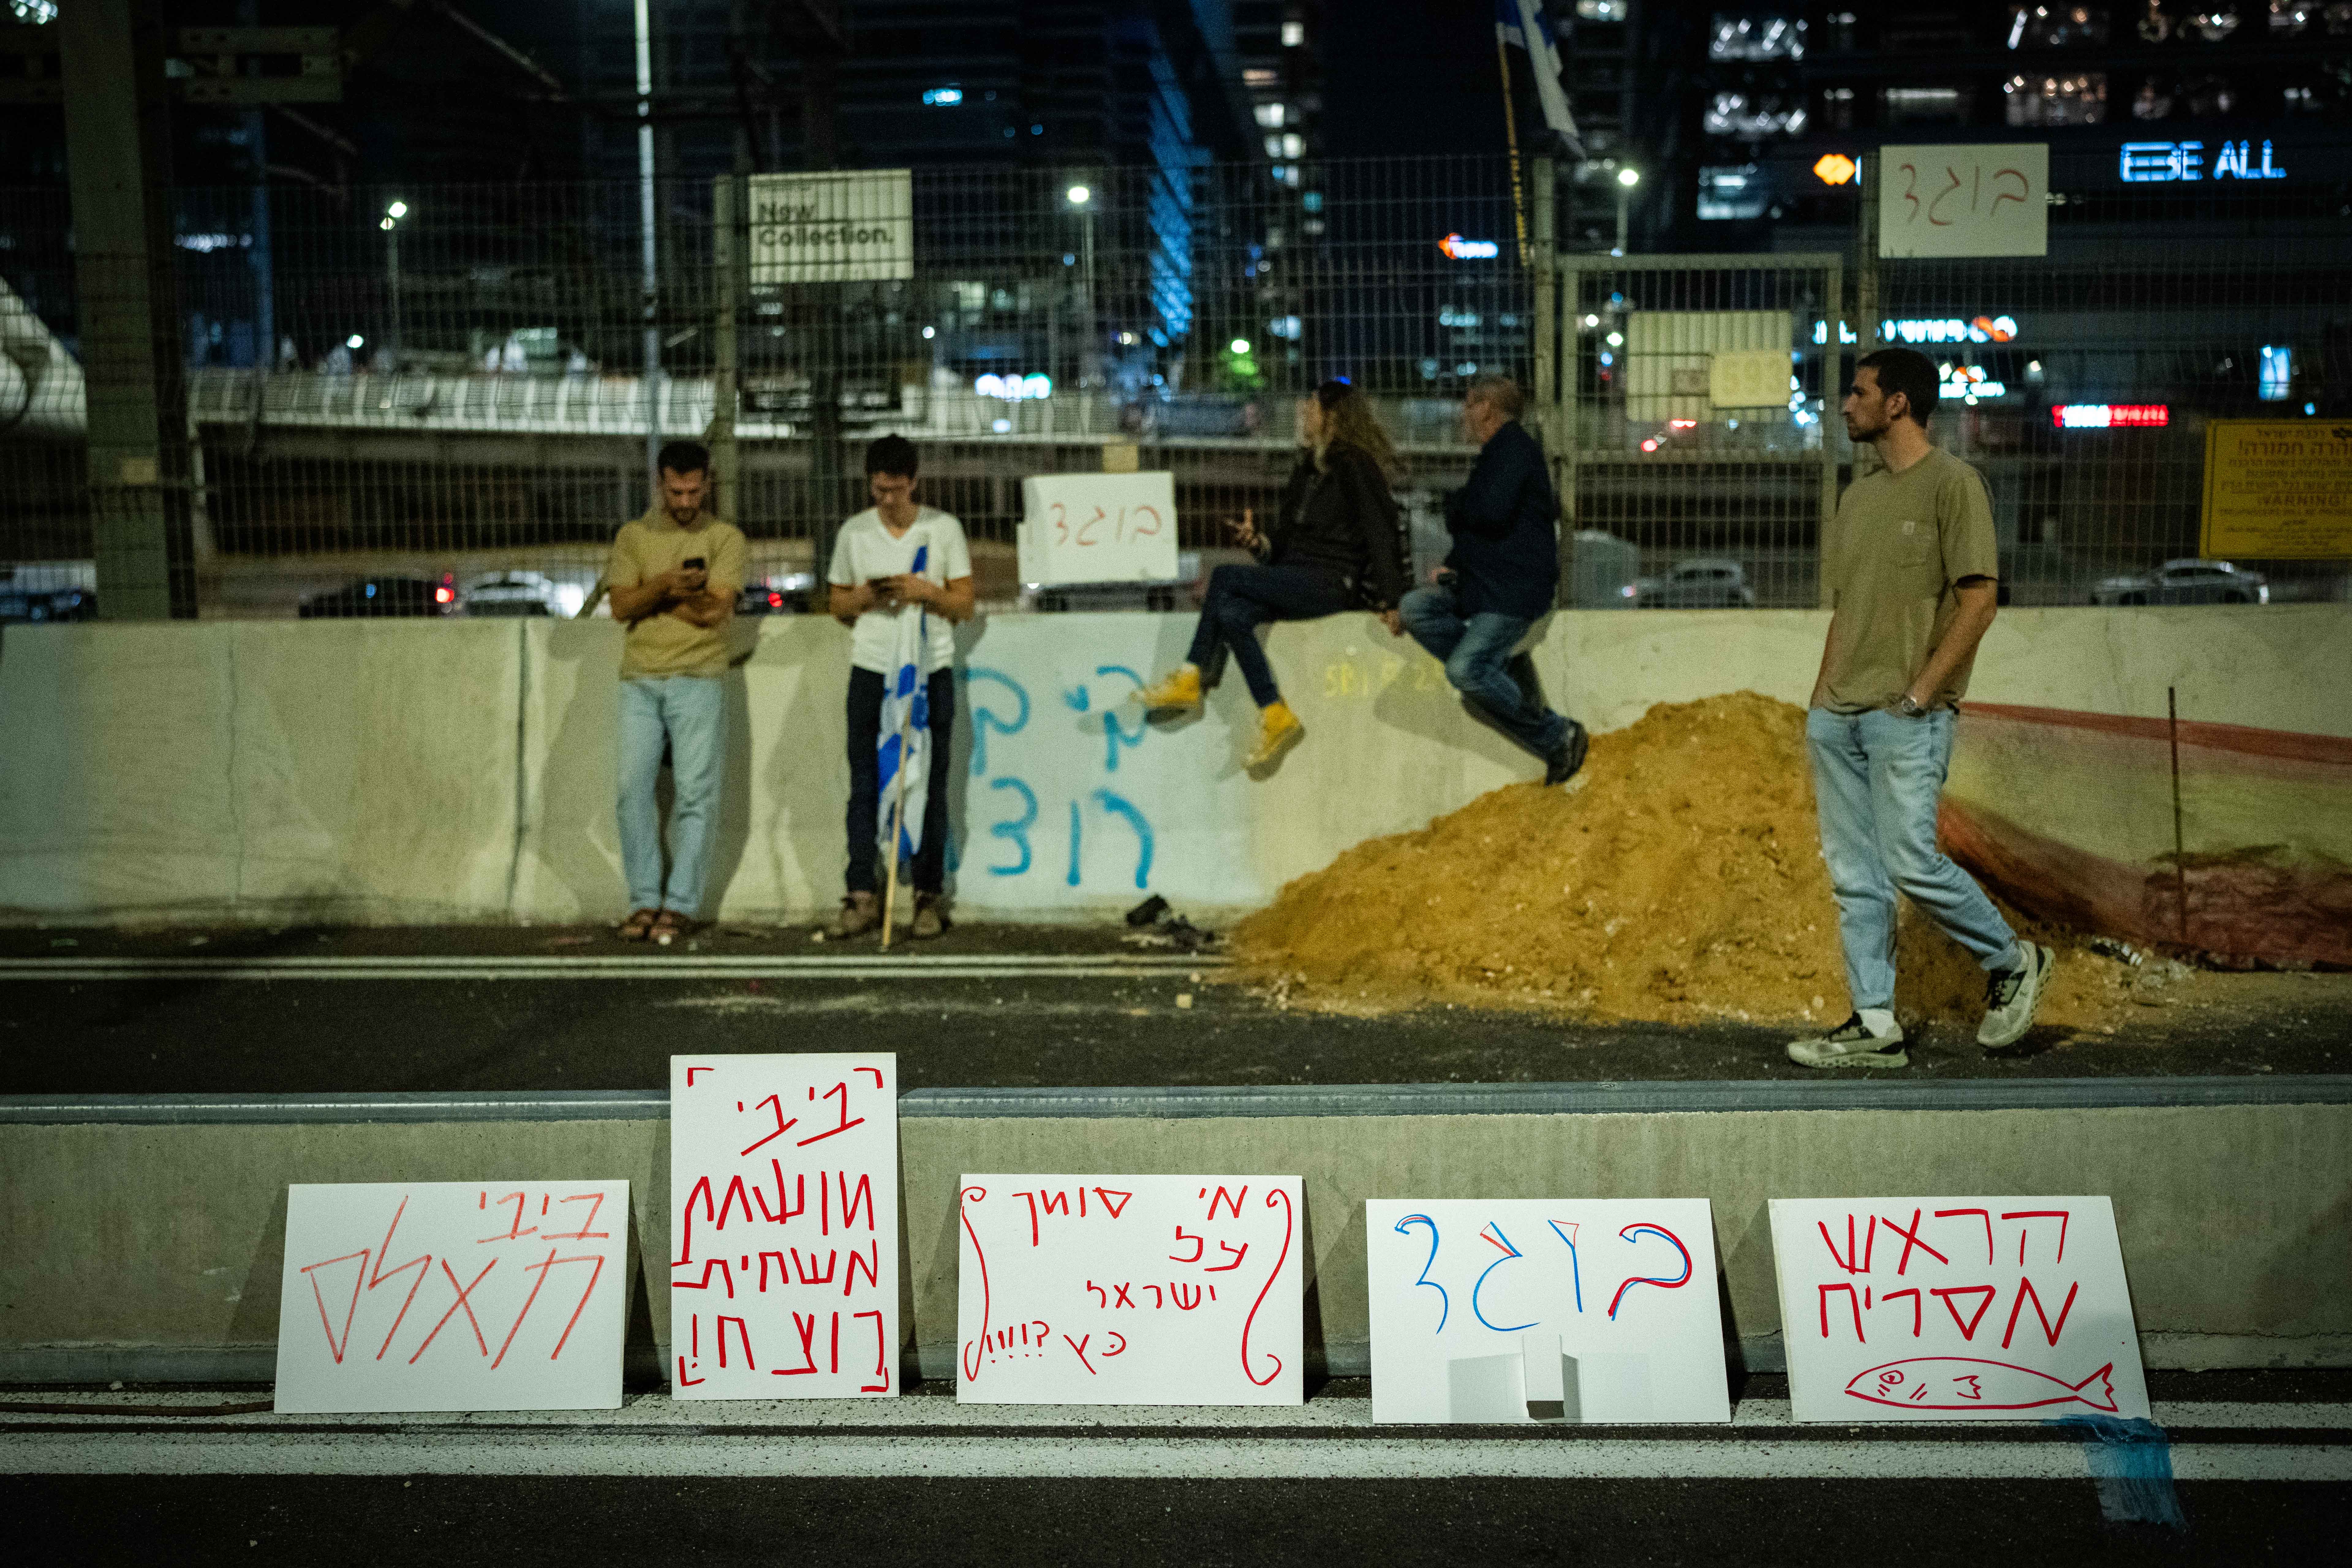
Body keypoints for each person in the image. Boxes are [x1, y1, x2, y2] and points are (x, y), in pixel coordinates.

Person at [1787, 347, 2053, 1069]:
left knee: (1910, 859)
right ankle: (1875, 1024)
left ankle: (2013, 960)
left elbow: (1980, 599)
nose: (1845, 405)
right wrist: (1820, 704)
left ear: (1898, 403)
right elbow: (1848, 609)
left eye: (1859, 392)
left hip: (1906, 715)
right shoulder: (1858, 498)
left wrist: (1920, 694)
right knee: (1855, 878)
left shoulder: (1954, 485)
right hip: (1839, 715)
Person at [1134, 379, 1406, 769]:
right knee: (1231, 615)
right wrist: (1258, 544)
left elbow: (1381, 529)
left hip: (1333, 582)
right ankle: (1275, 712)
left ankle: (1191, 674)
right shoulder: (1308, 468)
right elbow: (1283, 544)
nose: (1302, 413)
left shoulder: (1354, 463)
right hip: (1299, 576)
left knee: (1225, 577)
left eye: (1310, 407)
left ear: (1330, 416)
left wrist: (1391, 597)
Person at [1399, 374, 1588, 785]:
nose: (1463, 417)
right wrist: (1454, 563)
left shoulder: (1514, 450)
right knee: (1415, 608)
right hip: (1482, 588)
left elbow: (1488, 512)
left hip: (1512, 596)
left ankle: (1557, 734)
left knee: (1465, 672)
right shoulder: (1496, 456)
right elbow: (1481, 524)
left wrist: (1456, 503)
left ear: (1485, 408)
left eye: (1469, 406)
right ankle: (1498, 669)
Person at [825, 434, 975, 940]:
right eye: (878, 489)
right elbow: (838, 605)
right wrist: (868, 594)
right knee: (865, 779)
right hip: (871, 667)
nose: (885, 499)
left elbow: (964, 604)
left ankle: (927, 894)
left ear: (913, 482)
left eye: (894, 489)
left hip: (929, 668)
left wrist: (925, 592)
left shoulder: (943, 529)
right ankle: (861, 892)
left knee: (930, 782)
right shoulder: (855, 533)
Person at [605, 440, 746, 943]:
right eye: (675, 491)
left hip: (699, 675)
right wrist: (670, 585)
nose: (684, 501)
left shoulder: (725, 538)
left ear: (707, 484)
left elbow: (714, 613)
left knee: (696, 793)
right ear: (660, 484)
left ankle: (680, 903)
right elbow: (620, 607)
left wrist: (654, 594)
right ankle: (644, 899)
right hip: (640, 676)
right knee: (630, 792)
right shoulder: (633, 536)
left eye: (692, 490)